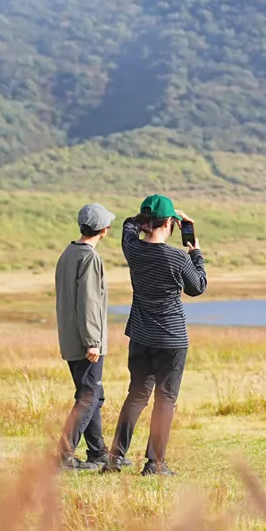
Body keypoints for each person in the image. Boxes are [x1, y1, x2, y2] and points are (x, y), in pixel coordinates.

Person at [109, 194, 207, 476]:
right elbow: (198, 286)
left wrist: (154, 215)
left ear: (145, 222)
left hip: (140, 335)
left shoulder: (133, 249)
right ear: (170, 224)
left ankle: (115, 457)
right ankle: (154, 463)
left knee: (136, 395)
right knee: (165, 399)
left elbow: (128, 224)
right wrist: (196, 253)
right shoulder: (176, 257)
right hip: (171, 339)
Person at [54, 202, 114, 471]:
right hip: (86, 341)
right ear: (103, 230)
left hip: (70, 338)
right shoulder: (89, 258)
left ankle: (99, 453)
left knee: (92, 394)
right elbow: (89, 302)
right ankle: (63, 456)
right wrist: (93, 341)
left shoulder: (68, 253)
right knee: (89, 396)